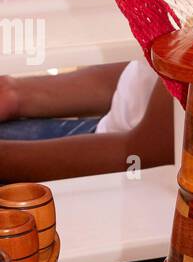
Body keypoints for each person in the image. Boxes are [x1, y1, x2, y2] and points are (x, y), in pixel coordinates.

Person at [0, 58, 174, 180]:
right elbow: (143, 72)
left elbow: (143, 158)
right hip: (110, 139)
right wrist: (14, 93)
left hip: (127, 182)